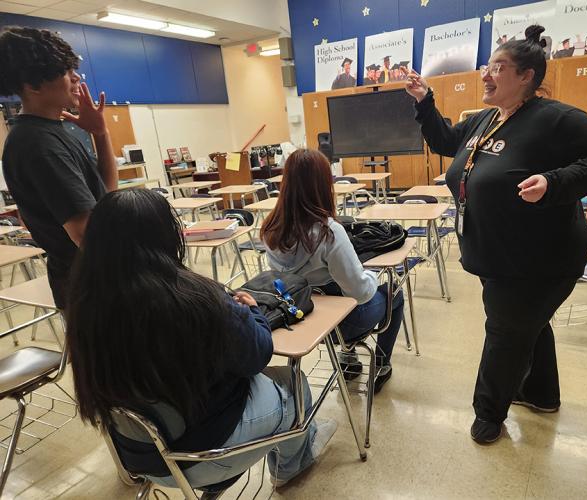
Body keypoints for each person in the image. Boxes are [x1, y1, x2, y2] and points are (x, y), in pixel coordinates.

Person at [404, 25, 587, 444]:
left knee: (506, 332)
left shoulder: (557, 118)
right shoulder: (486, 120)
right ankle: (541, 394)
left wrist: (553, 183)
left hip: (541, 259)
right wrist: (425, 101)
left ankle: (488, 414)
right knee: (527, 325)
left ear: (526, 77)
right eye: (487, 66)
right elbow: (449, 142)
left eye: (497, 68)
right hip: (497, 254)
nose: (486, 75)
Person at [65, 188, 337, 489]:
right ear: (167, 237)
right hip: (200, 456)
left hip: (138, 453)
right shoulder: (193, 300)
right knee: (294, 383)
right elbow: (258, 353)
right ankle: (291, 466)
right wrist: (253, 312)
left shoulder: (84, 307)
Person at [261, 149, 404, 393]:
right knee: (394, 292)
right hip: (341, 325)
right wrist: (372, 274)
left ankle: (349, 361)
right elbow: (360, 293)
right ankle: (381, 364)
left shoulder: (271, 229)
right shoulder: (329, 232)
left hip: (300, 320)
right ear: (323, 185)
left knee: (335, 293)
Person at [0, 27, 117, 309]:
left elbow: (108, 196)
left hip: (94, 276)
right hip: (94, 285)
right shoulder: (39, 144)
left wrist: (100, 134)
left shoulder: (54, 132)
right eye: (65, 71)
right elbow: (84, 234)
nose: (76, 77)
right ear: (33, 86)